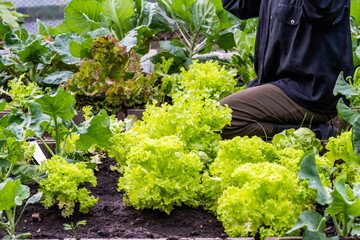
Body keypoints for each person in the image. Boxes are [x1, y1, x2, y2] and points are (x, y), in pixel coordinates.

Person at [220, 0, 354, 139]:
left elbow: (321, 10)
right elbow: (238, 5)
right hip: (276, 86)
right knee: (219, 117)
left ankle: (316, 134)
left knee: (223, 117)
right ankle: (304, 131)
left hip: (310, 91)